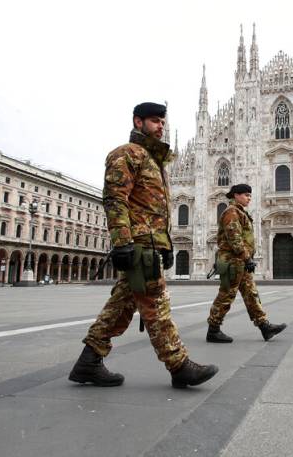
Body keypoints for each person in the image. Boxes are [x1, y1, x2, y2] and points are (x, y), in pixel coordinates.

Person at [69, 102, 218, 388]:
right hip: (137, 247)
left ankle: (88, 361)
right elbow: (115, 200)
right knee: (156, 305)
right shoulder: (127, 155)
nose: (160, 126)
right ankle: (178, 365)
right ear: (138, 122)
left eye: (162, 121)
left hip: (150, 245)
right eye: (154, 121)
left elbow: (157, 210)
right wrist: (122, 242)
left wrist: (167, 245)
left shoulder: (156, 161)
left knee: (122, 307)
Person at [206, 183, 286, 343]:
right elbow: (234, 238)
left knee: (251, 295)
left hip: (240, 261)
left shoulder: (240, 212)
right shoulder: (231, 212)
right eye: (246, 195)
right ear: (236, 195)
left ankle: (265, 327)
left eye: (250, 195)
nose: (249, 198)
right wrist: (246, 257)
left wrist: (246, 258)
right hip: (232, 262)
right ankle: (213, 330)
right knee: (226, 295)